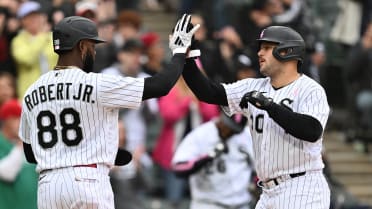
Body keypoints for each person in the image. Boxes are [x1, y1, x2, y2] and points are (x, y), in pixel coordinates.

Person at [18, 14, 200, 209]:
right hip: (87, 181)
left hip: (48, 187)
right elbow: (161, 85)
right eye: (92, 46)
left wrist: (80, 152)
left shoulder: (32, 91)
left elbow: (30, 152)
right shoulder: (96, 83)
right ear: (81, 46)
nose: (94, 52)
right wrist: (179, 51)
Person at [182, 25, 331, 209]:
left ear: (286, 51)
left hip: (302, 186)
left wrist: (269, 106)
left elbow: (311, 130)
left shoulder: (310, 89)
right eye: (260, 48)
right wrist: (187, 58)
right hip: (268, 192)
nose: (260, 53)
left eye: (267, 47)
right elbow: (209, 93)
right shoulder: (254, 86)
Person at [172, 112, 255, 209]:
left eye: (235, 130)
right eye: (229, 127)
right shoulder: (200, 135)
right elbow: (178, 168)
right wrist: (207, 158)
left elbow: (259, 169)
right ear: (221, 119)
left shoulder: (247, 136)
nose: (231, 132)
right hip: (208, 204)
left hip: (242, 205)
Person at [10, 1, 58, 99]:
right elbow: (27, 59)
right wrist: (41, 36)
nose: (34, 19)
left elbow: (62, 57)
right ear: (22, 21)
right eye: (29, 17)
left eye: (36, 15)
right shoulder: (17, 41)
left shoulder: (54, 37)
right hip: (30, 95)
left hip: (54, 91)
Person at [0, 99, 38, 209]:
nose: (23, 124)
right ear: (7, 120)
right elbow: (7, 173)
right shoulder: (3, 142)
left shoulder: (30, 143)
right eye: (18, 118)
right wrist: (20, 146)